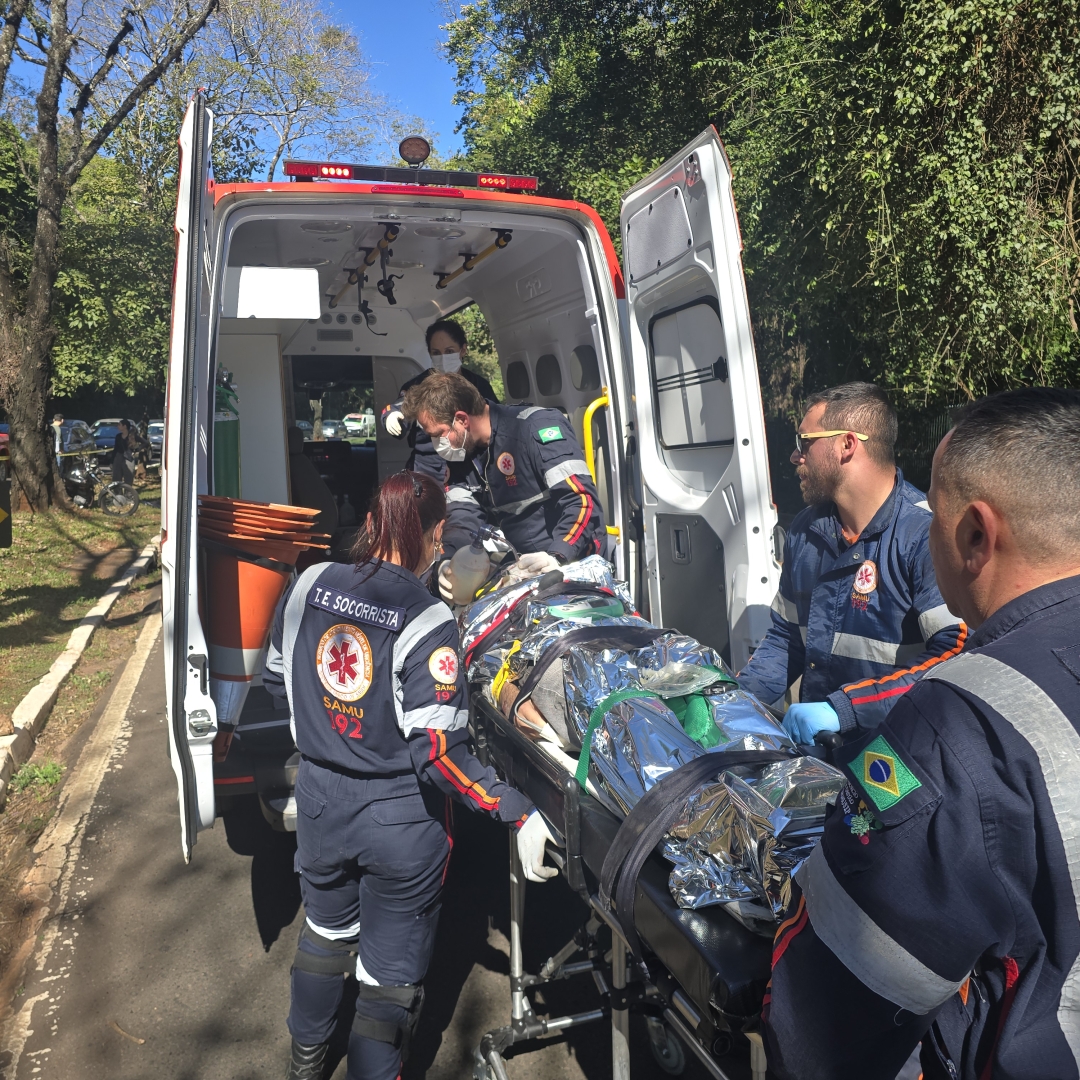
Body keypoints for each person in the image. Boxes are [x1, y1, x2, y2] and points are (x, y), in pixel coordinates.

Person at [762, 387, 1080, 1080]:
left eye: (939, 515)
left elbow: (833, 1002)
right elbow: (780, 641)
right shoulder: (811, 537)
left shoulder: (954, 729)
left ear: (974, 534)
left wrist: (846, 711)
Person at [262, 471, 557, 1080]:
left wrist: (328, 730)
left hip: (318, 800)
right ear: (437, 533)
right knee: (386, 985)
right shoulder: (426, 620)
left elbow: (275, 682)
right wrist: (515, 809)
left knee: (323, 934)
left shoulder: (307, 583)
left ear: (374, 519)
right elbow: (440, 757)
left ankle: (305, 1063)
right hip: (398, 819)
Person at [736, 382, 964, 744]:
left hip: (897, 759)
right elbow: (786, 639)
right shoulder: (806, 531)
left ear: (846, 444)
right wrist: (736, 705)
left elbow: (954, 657)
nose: (796, 457)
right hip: (819, 758)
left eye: (804, 442)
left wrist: (845, 709)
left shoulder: (925, 535)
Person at [402, 371, 607, 602]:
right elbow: (462, 517)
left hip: (573, 561)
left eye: (438, 434)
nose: (435, 444)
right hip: (525, 570)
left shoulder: (535, 429)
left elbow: (582, 501)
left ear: (461, 420)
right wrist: (449, 561)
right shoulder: (462, 457)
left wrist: (558, 555)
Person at [380, 318, 498, 484]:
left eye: (449, 351)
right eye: (436, 353)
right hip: (427, 468)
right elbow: (400, 406)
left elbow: (496, 420)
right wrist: (392, 415)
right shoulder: (418, 385)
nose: (443, 358)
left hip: (469, 468)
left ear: (462, 350)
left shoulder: (479, 386)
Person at [111, 419, 134, 484]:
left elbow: (145, 443)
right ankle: (118, 493)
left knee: (128, 477)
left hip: (128, 458)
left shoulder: (132, 436)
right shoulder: (118, 436)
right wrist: (111, 462)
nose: (118, 426)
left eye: (119, 425)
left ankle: (128, 493)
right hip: (118, 457)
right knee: (116, 477)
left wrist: (137, 451)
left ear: (125, 426)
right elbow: (115, 449)